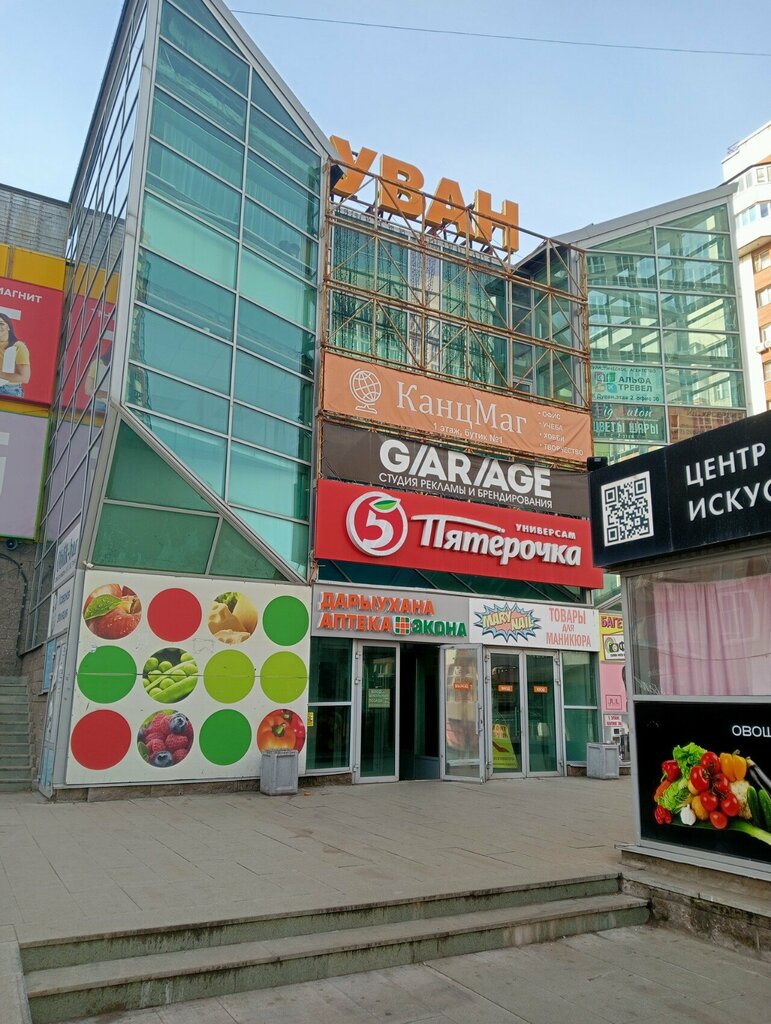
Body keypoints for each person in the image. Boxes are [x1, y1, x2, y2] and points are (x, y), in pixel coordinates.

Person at [0, 313, 31, 397]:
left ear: (8, 327)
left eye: (1, 324)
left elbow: (24, 378)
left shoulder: (18, 346)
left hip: (8, 390)